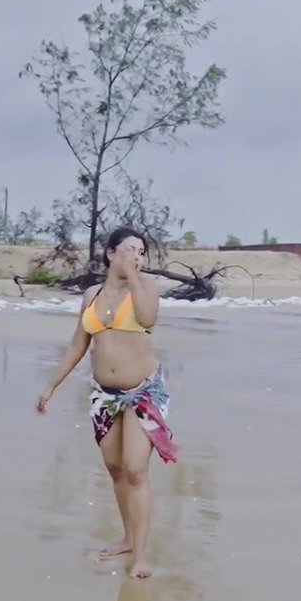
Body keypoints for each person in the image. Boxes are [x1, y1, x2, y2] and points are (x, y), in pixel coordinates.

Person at [37, 227, 179, 579]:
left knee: (135, 469)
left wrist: (133, 276)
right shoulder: (92, 295)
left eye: (142, 251)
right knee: (115, 469)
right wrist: (51, 386)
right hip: (105, 396)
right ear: (110, 253)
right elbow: (77, 345)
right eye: (130, 250)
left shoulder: (145, 286)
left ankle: (141, 555)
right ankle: (129, 538)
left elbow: (148, 318)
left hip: (144, 391)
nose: (137, 256)